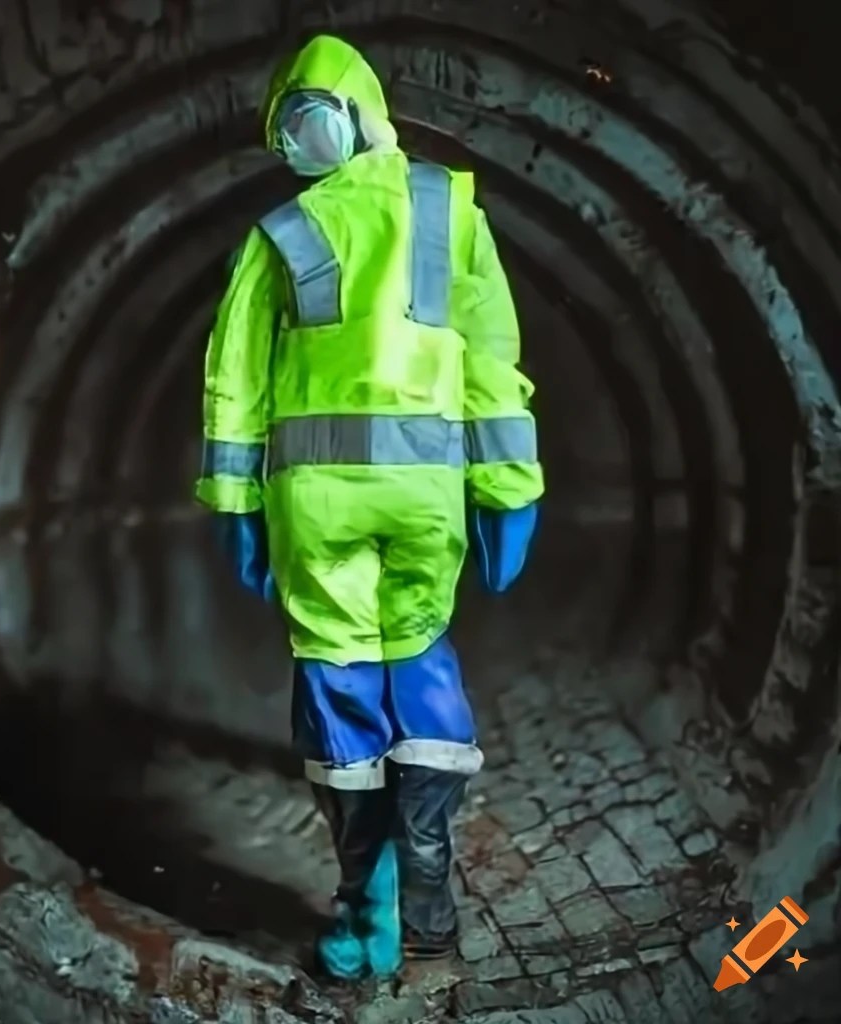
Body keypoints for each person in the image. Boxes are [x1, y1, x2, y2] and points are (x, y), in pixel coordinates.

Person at [195, 34, 544, 980]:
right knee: (421, 660)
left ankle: (367, 913)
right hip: (424, 492)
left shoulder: (283, 233)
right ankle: (429, 901)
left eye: (299, 130)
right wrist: (508, 490)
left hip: (314, 506)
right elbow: (489, 362)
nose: (304, 148)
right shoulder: (448, 208)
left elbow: (235, 383)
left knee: (339, 682)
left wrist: (234, 504)